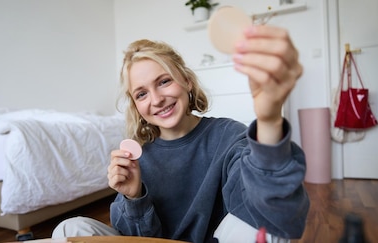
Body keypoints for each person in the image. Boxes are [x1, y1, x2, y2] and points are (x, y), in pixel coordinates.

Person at [52, 25, 309, 243]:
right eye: (141, 94)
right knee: (68, 230)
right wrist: (134, 196)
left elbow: (271, 211)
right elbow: (135, 238)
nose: (157, 99)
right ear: (137, 106)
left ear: (186, 80)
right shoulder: (137, 156)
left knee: (265, 227)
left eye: (164, 81)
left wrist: (269, 119)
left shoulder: (228, 135)